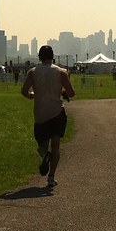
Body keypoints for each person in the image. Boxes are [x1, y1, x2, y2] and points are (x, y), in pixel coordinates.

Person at [20, 45, 75, 189]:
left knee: (42, 145)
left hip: (41, 113)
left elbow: (24, 91)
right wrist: (62, 92)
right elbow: (71, 92)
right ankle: (51, 177)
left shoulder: (33, 72)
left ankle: (45, 155)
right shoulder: (61, 72)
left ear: (39, 57)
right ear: (53, 57)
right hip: (57, 111)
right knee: (56, 145)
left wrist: (32, 95)